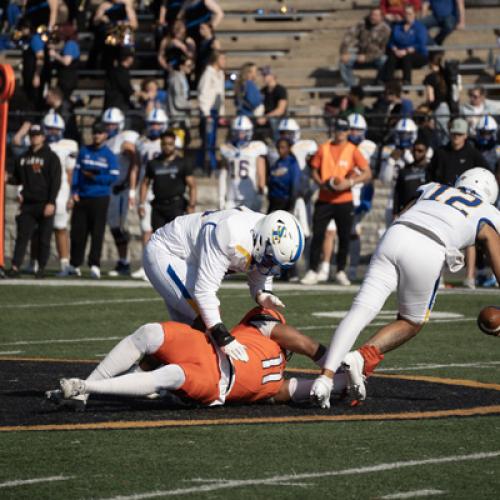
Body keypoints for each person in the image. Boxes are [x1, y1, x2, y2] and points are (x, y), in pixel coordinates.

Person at [310, 168, 500, 408]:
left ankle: (325, 379)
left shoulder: (433, 187)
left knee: (362, 308)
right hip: (428, 247)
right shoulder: (489, 212)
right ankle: (361, 357)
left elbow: (402, 214)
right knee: (412, 321)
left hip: (396, 234)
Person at [50, 307, 347, 408]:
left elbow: (303, 390)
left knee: (173, 375)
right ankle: (84, 390)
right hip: (207, 346)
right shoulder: (265, 329)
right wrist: (340, 369)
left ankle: (86, 387)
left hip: (216, 383)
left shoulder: (277, 386)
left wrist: (338, 383)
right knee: (150, 333)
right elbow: (309, 345)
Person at [143, 208, 304, 362]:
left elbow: (258, 277)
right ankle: (144, 371)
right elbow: (204, 291)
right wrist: (223, 336)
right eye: (271, 260)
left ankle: (150, 373)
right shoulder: (231, 234)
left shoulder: (262, 236)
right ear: (263, 240)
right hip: (168, 253)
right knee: (206, 323)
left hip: (192, 261)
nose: (271, 267)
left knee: (191, 332)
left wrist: (263, 294)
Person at [300, 118, 372, 287]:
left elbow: (367, 173)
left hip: (344, 199)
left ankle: (340, 270)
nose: (340, 132)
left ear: (348, 131)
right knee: (318, 235)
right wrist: (321, 183)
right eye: (338, 129)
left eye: (344, 129)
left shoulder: (353, 150)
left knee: (344, 236)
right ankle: (312, 270)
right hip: (325, 199)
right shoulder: (324, 148)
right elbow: (314, 170)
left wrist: (350, 183)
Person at [63, 122, 119, 279]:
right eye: (95, 132)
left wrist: (95, 177)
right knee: (77, 233)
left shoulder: (109, 154)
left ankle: (95, 264)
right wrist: (74, 191)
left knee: (97, 233)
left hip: (100, 197)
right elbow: (76, 173)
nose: (97, 135)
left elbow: (113, 176)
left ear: (105, 135)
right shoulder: (84, 151)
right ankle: (74, 265)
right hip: (82, 197)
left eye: (100, 133)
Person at [7, 124, 61, 279]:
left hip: (45, 203)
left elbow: (55, 181)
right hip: (28, 204)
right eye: (32, 135)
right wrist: (8, 179)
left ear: (43, 137)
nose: (34, 138)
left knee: (44, 238)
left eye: (37, 135)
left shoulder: (51, 157)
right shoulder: (22, 158)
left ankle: (41, 268)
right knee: (22, 237)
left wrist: (51, 202)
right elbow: (17, 178)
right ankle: (16, 267)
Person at [132, 108, 169, 281]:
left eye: (157, 123)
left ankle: (164, 266)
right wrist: (133, 192)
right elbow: (136, 167)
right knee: (145, 229)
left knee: (164, 231)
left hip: (163, 191)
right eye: (152, 123)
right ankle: (146, 265)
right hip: (146, 190)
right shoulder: (141, 142)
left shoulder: (169, 144)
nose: (154, 127)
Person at [102, 107, 140, 277]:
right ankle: (123, 261)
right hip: (110, 189)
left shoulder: (126, 137)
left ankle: (127, 261)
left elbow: (133, 157)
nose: (110, 127)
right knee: (115, 227)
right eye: (107, 124)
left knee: (122, 226)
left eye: (113, 124)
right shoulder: (106, 142)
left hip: (123, 190)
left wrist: (130, 187)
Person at [41, 112, 78, 275]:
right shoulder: (39, 144)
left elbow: (70, 172)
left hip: (61, 191)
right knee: (37, 228)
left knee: (60, 226)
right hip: (40, 190)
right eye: (50, 129)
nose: (53, 132)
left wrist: (70, 194)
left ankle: (64, 262)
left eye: (56, 129)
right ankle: (34, 262)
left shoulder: (68, 145)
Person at [139, 129, 197, 232]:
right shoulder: (153, 163)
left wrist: (191, 205)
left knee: (176, 237)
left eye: (170, 144)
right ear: (160, 144)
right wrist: (141, 204)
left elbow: (192, 185)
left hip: (176, 206)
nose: (167, 147)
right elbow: (145, 183)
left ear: (174, 144)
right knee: (158, 237)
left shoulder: (182, 162)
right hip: (158, 206)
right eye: (164, 144)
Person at [219, 116, 267, 212]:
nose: (240, 136)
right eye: (237, 132)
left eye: (243, 132)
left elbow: (261, 172)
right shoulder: (226, 148)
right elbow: (223, 175)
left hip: (250, 196)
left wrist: (261, 191)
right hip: (231, 196)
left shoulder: (256, 147)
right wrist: (221, 196)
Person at [379, 117, 422, 226]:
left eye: (407, 134)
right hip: (393, 195)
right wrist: (390, 161)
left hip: (412, 195)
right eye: (401, 134)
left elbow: (419, 170)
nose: (404, 137)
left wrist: (407, 156)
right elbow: (385, 180)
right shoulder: (388, 149)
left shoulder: (419, 149)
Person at [338, 7, 390, 87]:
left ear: (381, 17)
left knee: (384, 60)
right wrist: (344, 52)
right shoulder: (362, 24)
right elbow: (349, 36)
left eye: (376, 15)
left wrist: (367, 57)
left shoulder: (386, 30)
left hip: (375, 58)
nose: (373, 17)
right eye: (371, 14)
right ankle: (352, 86)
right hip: (360, 55)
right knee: (343, 61)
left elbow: (382, 50)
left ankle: (378, 84)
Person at [382, 5, 428, 85]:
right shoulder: (397, 26)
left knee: (407, 57)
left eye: (410, 13)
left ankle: (407, 81)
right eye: (406, 13)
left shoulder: (420, 27)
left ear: (414, 14)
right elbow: (391, 41)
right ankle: (387, 81)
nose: (407, 16)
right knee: (391, 56)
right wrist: (395, 49)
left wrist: (406, 50)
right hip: (399, 53)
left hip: (417, 54)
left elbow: (421, 44)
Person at [197, 50, 225, 174]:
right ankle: (208, 166)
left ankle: (210, 165)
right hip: (209, 112)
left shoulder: (221, 74)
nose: (224, 62)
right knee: (208, 140)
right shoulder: (208, 74)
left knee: (213, 140)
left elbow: (221, 95)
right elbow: (202, 93)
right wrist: (206, 112)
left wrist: (221, 113)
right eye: (222, 59)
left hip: (216, 112)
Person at [393, 137, 430, 215]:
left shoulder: (431, 170)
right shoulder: (404, 170)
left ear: (426, 151)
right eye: (414, 150)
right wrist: (395, 212)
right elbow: (397, 193)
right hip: (405, 213)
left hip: (424, 212)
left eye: (420, 151)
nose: (416, 153)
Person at [48, 23, 80, 102]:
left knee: (63, 100)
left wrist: (55, 55)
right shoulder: (70, 43)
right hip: (66, 79)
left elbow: (66, 62)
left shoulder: (70, 44)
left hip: (67, 80)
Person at [267, 138, 301, 213]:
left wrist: (291, 204)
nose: (280, 150)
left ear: (288, 148)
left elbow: (295, 184)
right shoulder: (276, 163)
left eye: (283, 147)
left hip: (285, 201)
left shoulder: (292, 163)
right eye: (278, 147)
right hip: (274, 200)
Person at [167, 55, 194, 146]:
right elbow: (178, 101)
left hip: (182, 117)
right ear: (181, 66)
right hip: (177, 118)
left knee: (185, 142)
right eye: (189, 66)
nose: (191, 68)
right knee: (179, 144)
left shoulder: (182, 78)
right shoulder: (176, 79)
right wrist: (192, 104)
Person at [423, 51, 451, 133]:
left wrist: (428, 110)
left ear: (430, 63)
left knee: (439, 134)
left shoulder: (430, 77)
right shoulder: (447, 75)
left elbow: (430, 98)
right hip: (449, 108)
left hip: (438, 108)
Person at [257, 66, 288, 141]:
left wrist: (266, 117)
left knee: (273, 121)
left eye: (266, 74)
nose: (264, 76)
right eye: (263, 74)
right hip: (266, 117)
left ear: (273, 76)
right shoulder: (263, 90)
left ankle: (277, 143)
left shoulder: (281, 90)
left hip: (278, 118)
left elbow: (280, 110)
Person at [104, 48, 136, 113]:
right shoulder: (121, 72)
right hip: (117, 106)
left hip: (113, 105)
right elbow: (127, 89)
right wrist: (140, 94)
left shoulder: (115, 70)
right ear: (128, 58)